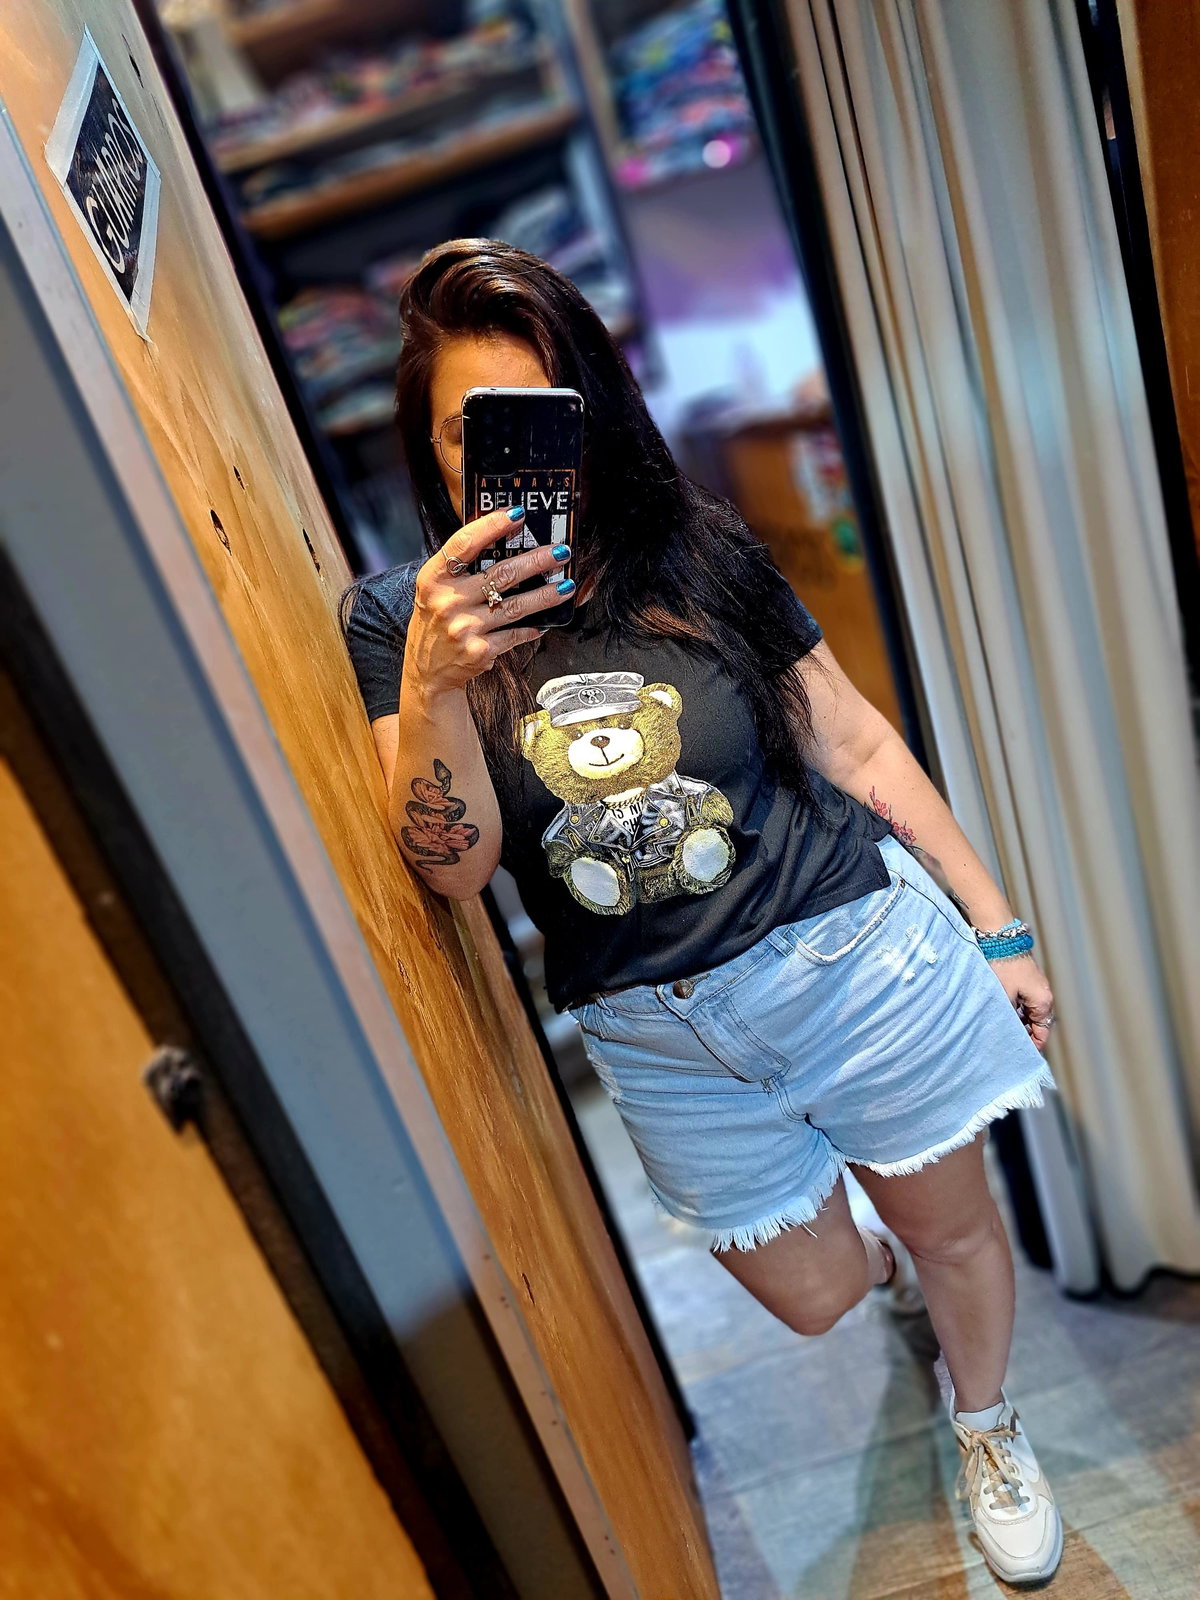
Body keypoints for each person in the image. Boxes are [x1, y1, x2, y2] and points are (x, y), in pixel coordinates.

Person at [340, 238, 1063, 1586]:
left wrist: (997, 924)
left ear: (594, 413)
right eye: (472, 432)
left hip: (851, 959)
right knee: (820, 1294)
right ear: (430, 450)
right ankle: (885, 1265)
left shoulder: (694, 549)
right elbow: (455, 864)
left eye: (540, 419)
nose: (512, 460)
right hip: (664, 1036)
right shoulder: (397, 624)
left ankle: (989, 1424)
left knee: (953, 1229)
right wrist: (437, 683)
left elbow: (853, 742)